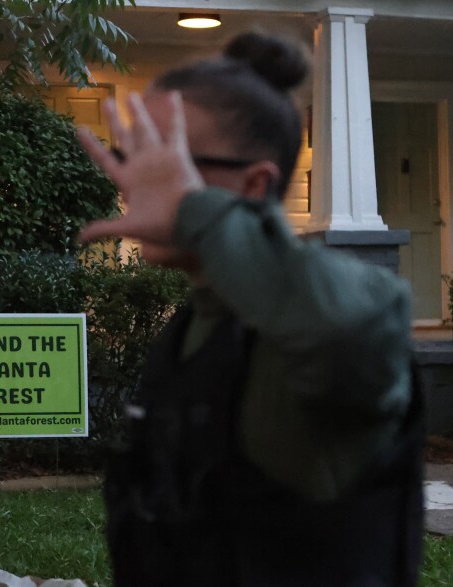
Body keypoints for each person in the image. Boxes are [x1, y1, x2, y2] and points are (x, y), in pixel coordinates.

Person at [76, 32, 425, 587]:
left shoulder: (308, 323)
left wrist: (196, 211)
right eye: (134, 156)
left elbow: (352, 325)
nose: (138, 181)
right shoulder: (193, 328)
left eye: (169, 163)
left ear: (254, 183)